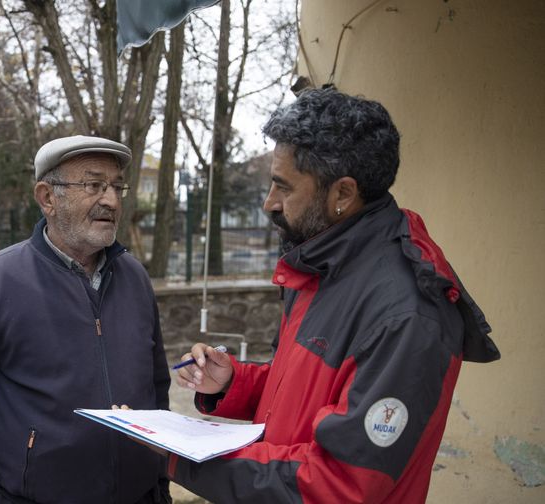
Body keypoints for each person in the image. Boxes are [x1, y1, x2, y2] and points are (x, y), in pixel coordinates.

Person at [166, 89, 500, 503]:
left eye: (283, 187)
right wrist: (232, 382)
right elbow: (301, 392)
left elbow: (337, 485)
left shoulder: (407, 314)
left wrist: (180, 456)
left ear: (342, 194)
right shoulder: (322, 266)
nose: (269, 203)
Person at [0, 135, 172, 504]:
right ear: (47, 198)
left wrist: (159, 488)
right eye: (94, 185)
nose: (111, 200)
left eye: (116, 187)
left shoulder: (136, 278)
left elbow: (157, 393)